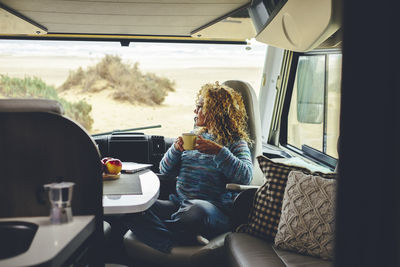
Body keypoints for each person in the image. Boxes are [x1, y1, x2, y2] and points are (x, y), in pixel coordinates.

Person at [123, 81, 253, 253]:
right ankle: (177, 238)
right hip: (178, 205)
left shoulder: (235, 142)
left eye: (200, 107)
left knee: (196, 211)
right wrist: (175, 150)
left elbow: (246, 176)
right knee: (132, 207)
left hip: (211, 210)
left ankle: (163, 233)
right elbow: (165, 169)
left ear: (216, 110)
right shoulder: (192, 136)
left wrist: (219, 152)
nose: (195, 111)